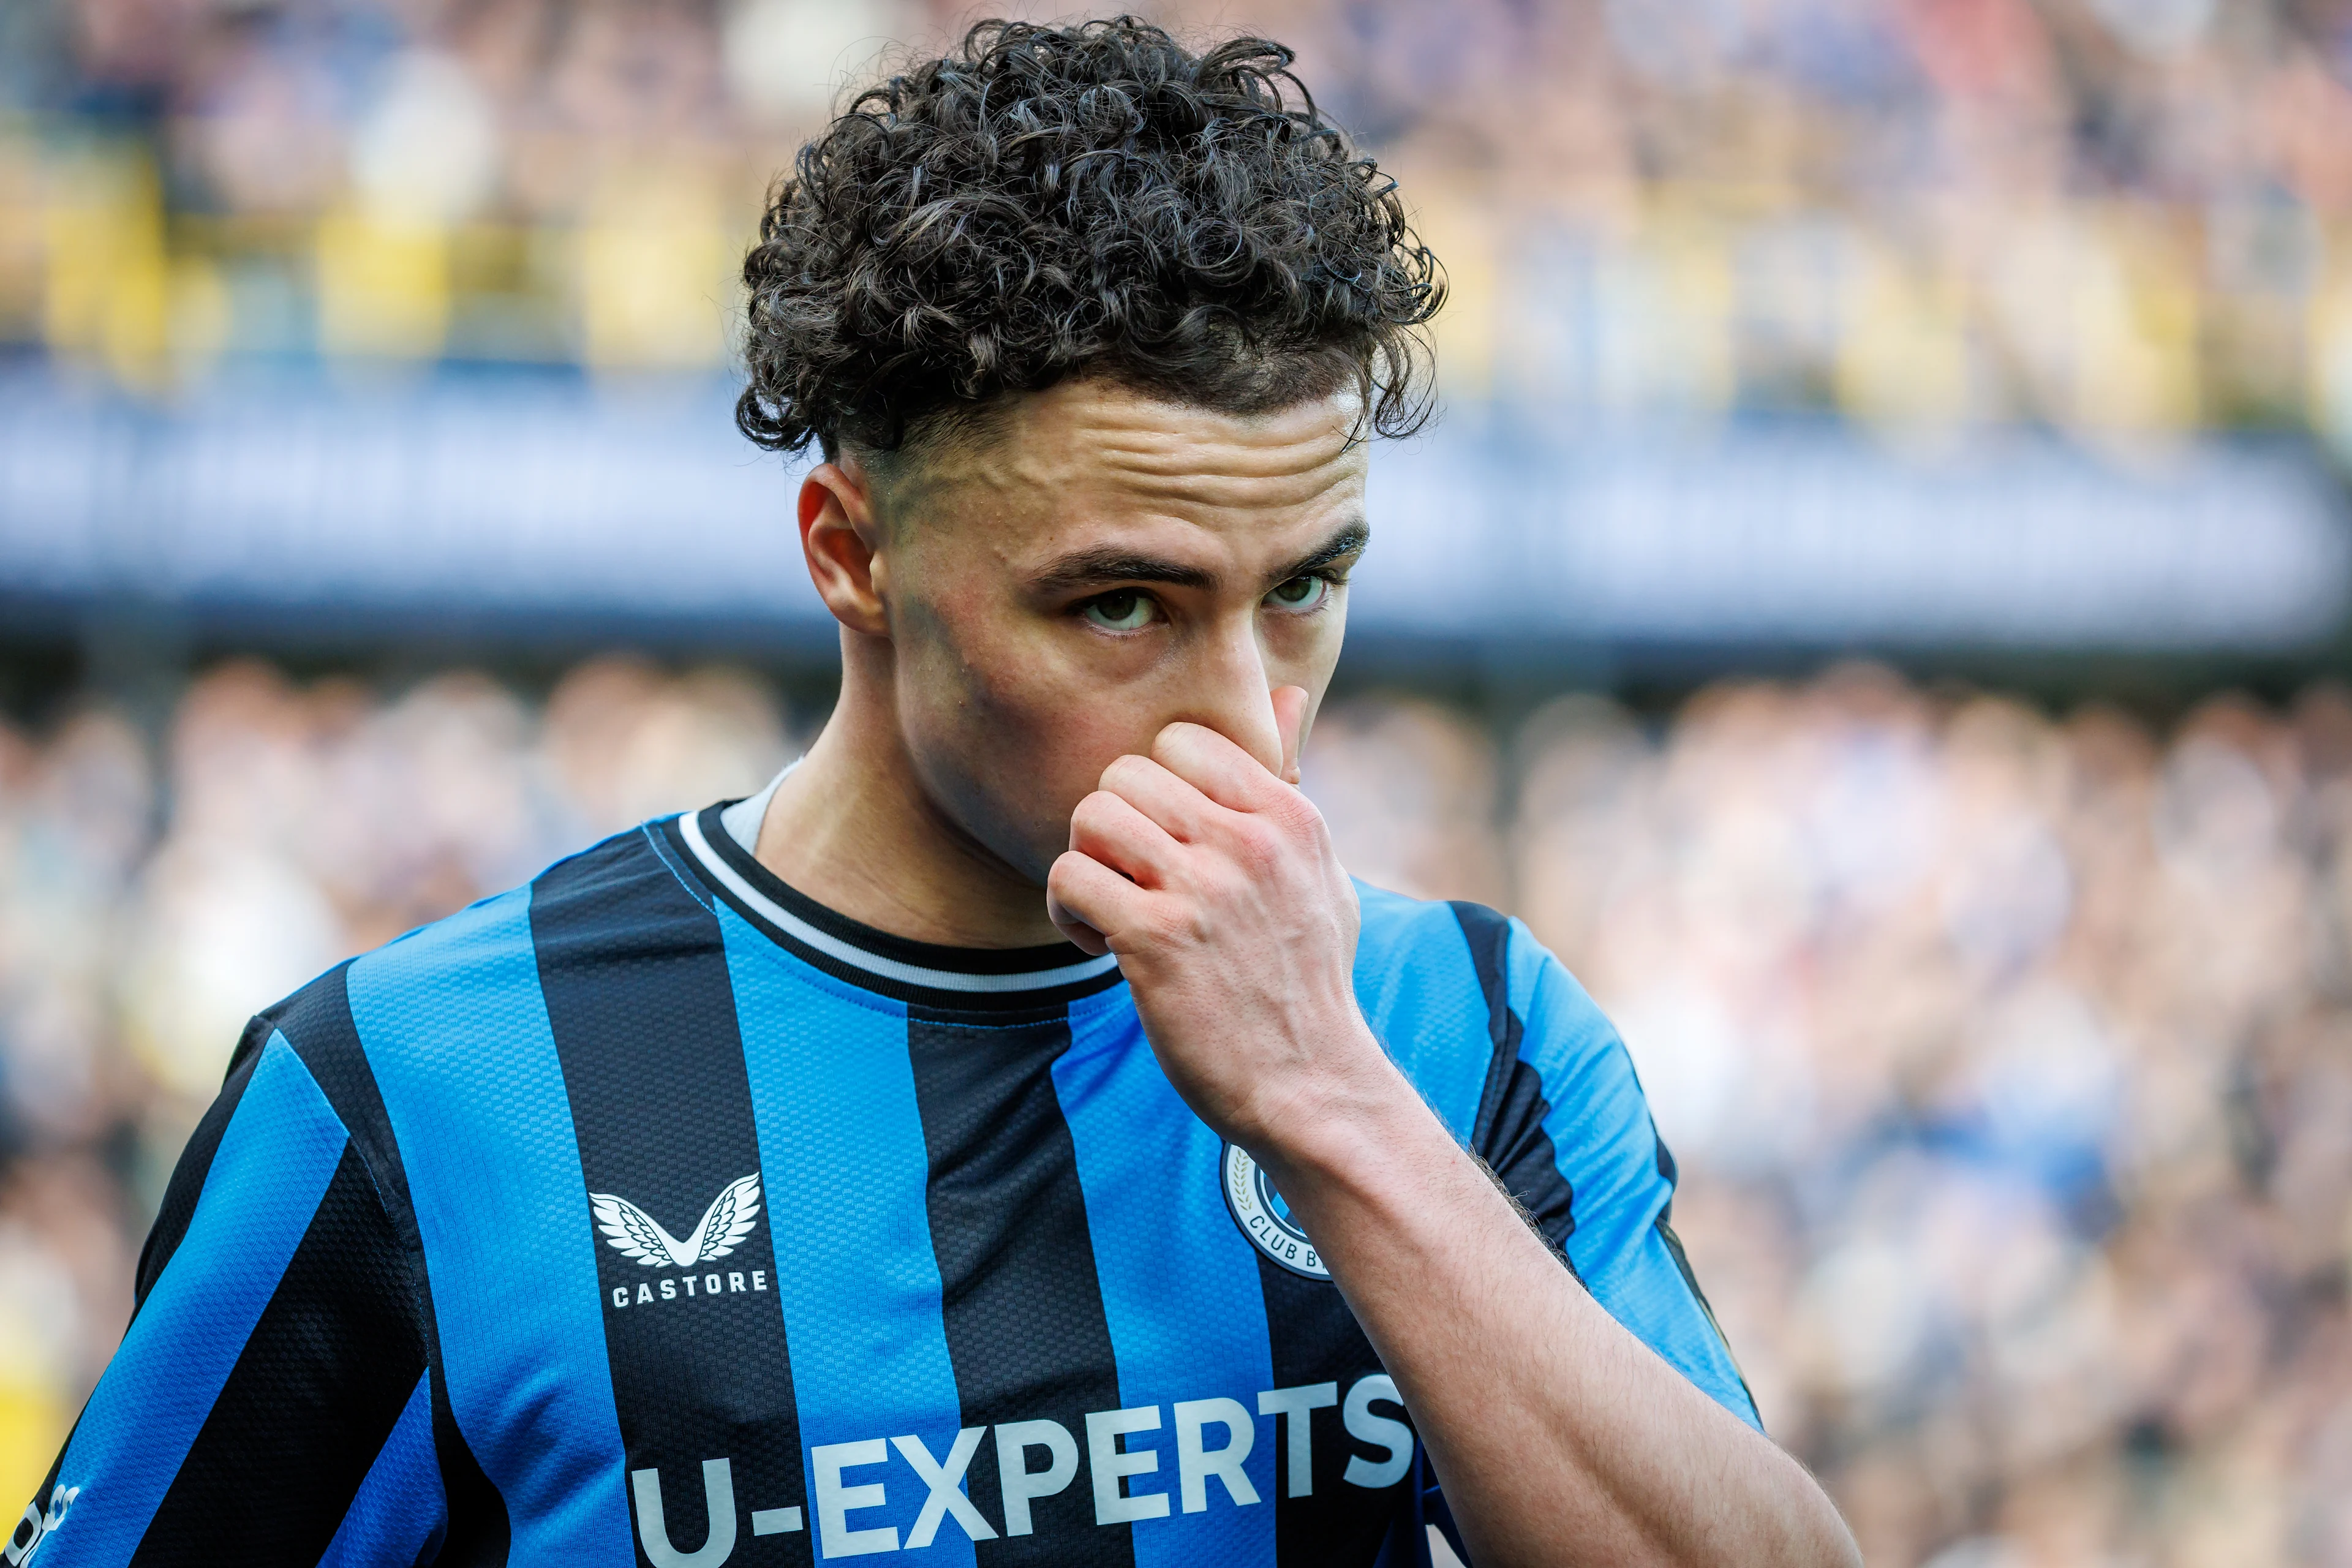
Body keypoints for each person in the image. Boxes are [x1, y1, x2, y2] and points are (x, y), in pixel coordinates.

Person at [17, 19, 1858, 1568]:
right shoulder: (414, 1091)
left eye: (1304, 586)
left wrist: (1337, 1119)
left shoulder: (1467, 1031)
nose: (1251, 724)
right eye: (1120, 603)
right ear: (852, 554)